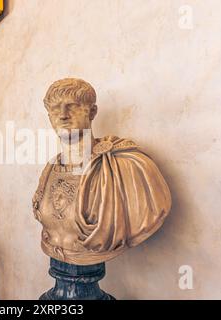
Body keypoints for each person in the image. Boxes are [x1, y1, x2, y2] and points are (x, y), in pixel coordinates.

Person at [33, 78, 172, 266]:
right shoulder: (49, 170)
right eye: (55, 109)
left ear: (92, 112)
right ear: (49, 116)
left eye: (72, 106)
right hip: (56, 262)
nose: (63, 115)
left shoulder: (126, 166)